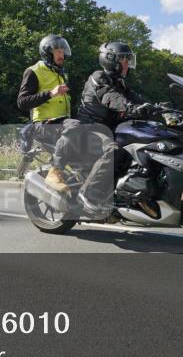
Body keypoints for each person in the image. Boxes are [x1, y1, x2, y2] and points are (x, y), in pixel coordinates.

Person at [61, 42, 158, 219]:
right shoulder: (98, 77)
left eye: (128, 60)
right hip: (90, 128)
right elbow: (110, 97)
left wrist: (158, 108)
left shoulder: (120, 83)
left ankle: (124, 195)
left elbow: (136, 98)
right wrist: (130, 107)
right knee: (113, 151)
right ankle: (88, 195)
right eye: (124, 60)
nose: (127, 64)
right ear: (111, 60)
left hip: (108, 129)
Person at [16, 34, 73, 193]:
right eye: (58, 51)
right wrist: (49, 93)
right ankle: (55, 171)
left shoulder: (60, 73)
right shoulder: (34, 71)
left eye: (63, 52)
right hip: (44, 124)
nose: (62, 55)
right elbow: (22, 102)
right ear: (47, 53)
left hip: (61, 123)